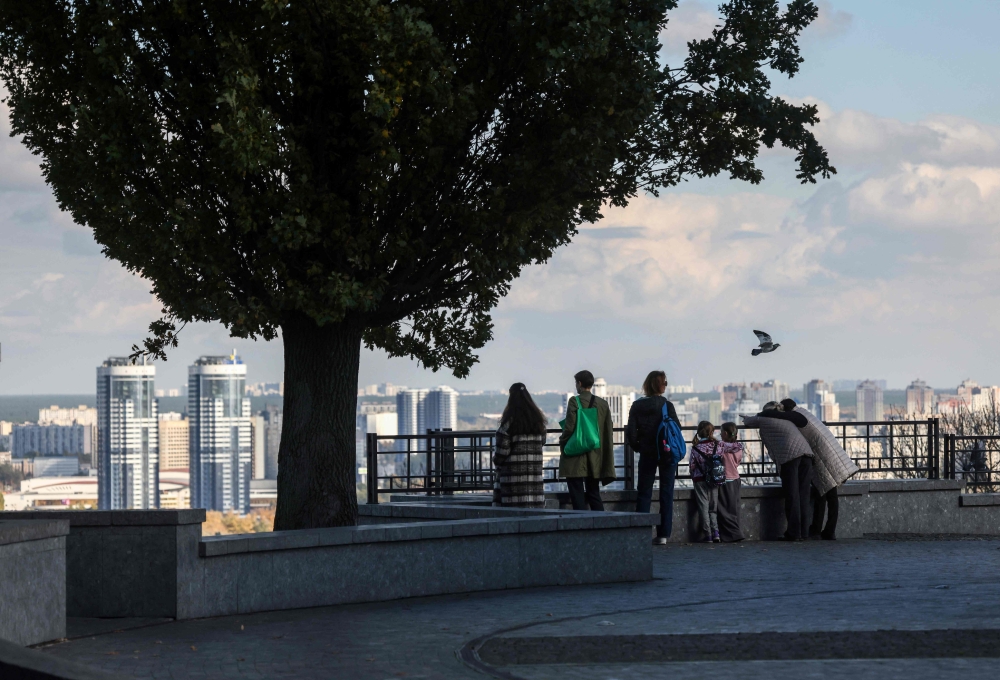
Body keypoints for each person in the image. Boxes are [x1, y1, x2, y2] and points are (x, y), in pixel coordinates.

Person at [779, 398, 859, 540]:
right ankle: (828, 530)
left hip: (824, 460)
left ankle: (818, 529)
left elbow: (782, 416)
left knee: (823, 495)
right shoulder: (805, 413)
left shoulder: (798, 416)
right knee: (828, 496)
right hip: (830, 457)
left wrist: (766, 414)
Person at [741, 402, 814, 541]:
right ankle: (804, 532)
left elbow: (750, 421)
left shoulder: (765, 418)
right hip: (806, 455)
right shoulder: (786, 418)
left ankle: (794, 533)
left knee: (792, 495)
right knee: (803, 495)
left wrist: (745, 417)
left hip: (790, 456)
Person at [626, 370, 680, 545]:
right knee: (666, 493)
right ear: (661, 385)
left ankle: (641, 532)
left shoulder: (637, 405)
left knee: (644, 493)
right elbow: (676, 428)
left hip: (647, 453)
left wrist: (639, 447)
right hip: (666, 453)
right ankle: (663, 535)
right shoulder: (667, 405)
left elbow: (631, 434)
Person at [559, 370, 615, 511]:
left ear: (580, 383)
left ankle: (581, 526)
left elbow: (570, 427)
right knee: (594, 493)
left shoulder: (574, 401)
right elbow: (607, 429)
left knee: (576, 493)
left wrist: (563, 441)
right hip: (595, 455)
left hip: (575, 455)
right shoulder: (602, 404)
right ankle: (601, 526)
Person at [492, 383, 547, 508]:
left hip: (512, 482)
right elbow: (542, 442)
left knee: (512, 519)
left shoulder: (507, 425)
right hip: (534, 481)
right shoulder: (539, 425)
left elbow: (501, 454)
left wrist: (495, 460)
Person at [689, 421, 720, 543]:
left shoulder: (695, 448)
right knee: (713, 507)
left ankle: (708, 535)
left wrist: (694, 477)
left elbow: (692, 466)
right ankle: (716, 532)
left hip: (699, 480)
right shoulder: (717, 445)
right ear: (711, 432)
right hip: (714, 479)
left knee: (703, 507)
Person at [716, 422, 745, 542]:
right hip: (735, 479)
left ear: (725, 433)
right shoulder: (739, 447)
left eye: (721, 431)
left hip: (724, 479)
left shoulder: (721, 446)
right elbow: (737, 462)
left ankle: (733, 534)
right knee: (733, 508)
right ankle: (734, 533)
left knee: (723, 509)